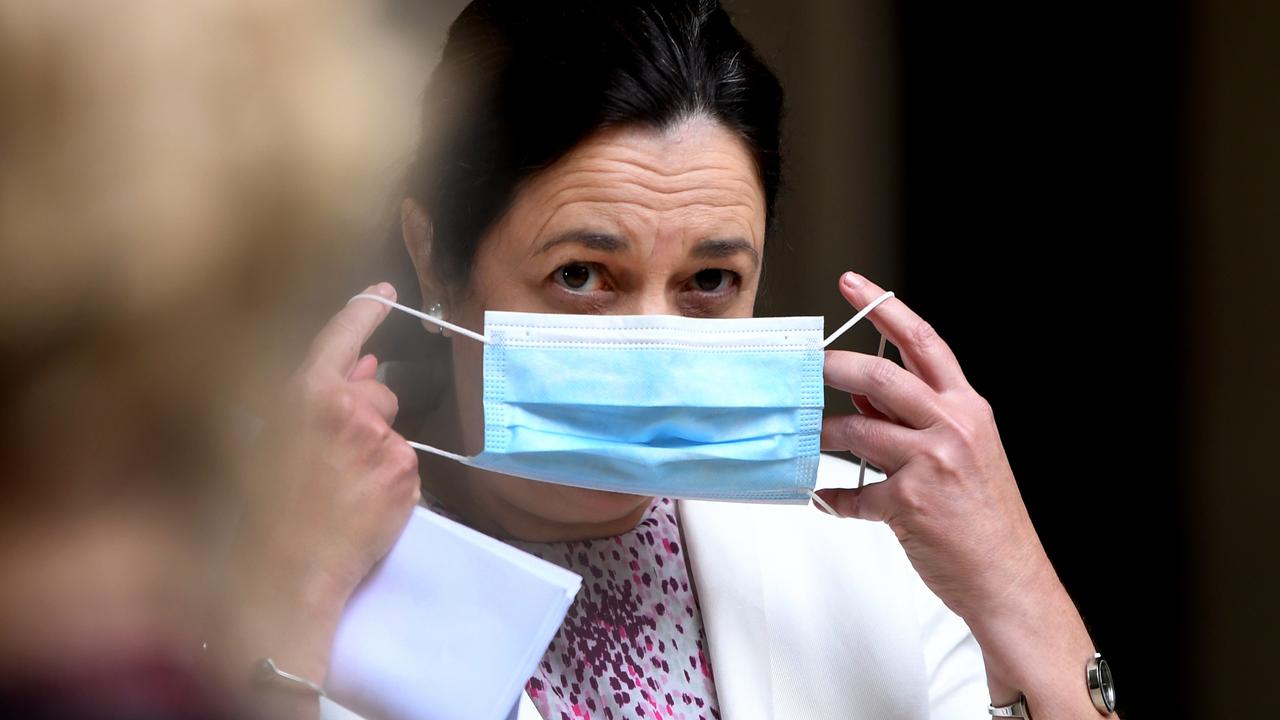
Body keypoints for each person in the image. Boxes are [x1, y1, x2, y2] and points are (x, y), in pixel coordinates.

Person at [225, 1, 1116, 718]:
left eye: (710, 280)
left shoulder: (873, 551)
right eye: (581, 274)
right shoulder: (281, 554)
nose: (653, 340)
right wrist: (288, 620)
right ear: (434, 256)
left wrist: (1016, 581)